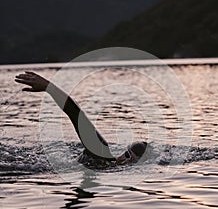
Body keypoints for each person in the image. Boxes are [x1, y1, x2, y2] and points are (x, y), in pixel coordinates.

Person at [15, 71, 147, 168]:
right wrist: (50, 88)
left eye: (129, 158)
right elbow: (77, 115)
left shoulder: (107, 167)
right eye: (126, 153)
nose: (123, 159)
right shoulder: (101, 152)